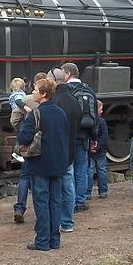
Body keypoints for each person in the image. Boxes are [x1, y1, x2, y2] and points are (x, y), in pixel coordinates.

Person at [16, 78, 69, 251]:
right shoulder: (61, 113)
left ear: (44, 94)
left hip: (39, 164)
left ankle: (42, 241)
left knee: (41, 202)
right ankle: (55, 240)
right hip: (58, 163)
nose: (33, 92)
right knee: (55, 201)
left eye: (35, 90)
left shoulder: (36, 114)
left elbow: (23, 138)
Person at [61, 62, 98, 212]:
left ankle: (70, 202)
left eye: (63, 73)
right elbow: (94, 115)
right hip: (84, 135)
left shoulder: (66, 92)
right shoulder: (89, 90)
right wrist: (93, 137)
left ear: (68, 74)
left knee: (68, 170)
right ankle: (81, 201)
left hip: (69, 135)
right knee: (82, 168)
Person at [48, 66, 80, 233]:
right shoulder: (75, 100)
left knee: (55, 189)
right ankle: (68, 222)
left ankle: (56, 222)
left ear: (53, 81)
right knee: (69, 186)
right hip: (71, 149)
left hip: (57, 152)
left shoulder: (55, 102)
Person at [12, 72, 46, 224]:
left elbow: (14, 120)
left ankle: (20, 208)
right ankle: (43, 212)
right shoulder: (52, 102)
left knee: (25, 176)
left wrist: (21, 130)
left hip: (29, 143)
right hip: (45, 143)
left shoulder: (26, 100)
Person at [87, 100, 109, 199]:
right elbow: (104, 136)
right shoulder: (102, 121)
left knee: (89, 171)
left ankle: (87, 192)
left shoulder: (88, 121)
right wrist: (99, 146)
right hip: (100, 151)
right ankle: (103, 191)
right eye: (100, 109)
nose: (102, 111)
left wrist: (90, 147)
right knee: (102, 170)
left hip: (90, 151)